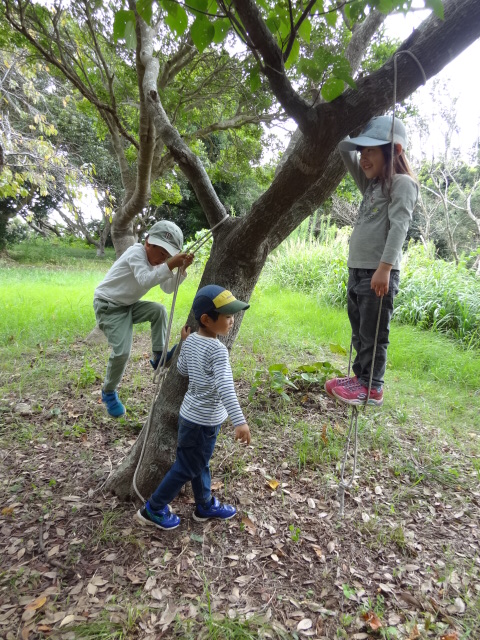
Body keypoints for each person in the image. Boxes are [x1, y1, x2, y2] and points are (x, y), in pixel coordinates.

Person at [136, 284, 251, 531]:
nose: (232, 321)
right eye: (228, 316)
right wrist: (239, 421)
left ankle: (204, 504)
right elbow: (226, 388)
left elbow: (182, 371)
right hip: (205, 422)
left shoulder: (190, 342)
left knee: (199, 462)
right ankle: (153, 508)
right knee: (187, 466)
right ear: (207, 320)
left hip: (189, 416)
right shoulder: (219, 351)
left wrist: (185, 344)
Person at [324, 115, 419, 407]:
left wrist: (385, 268)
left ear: (396, 151)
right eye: (362, 150)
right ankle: (359, 378)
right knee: (360, 331)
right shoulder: (372, 186)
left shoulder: (401, 184)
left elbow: (400, 226)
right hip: (358, 271)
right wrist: (360, 133)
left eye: (372, 150)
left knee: (374, 333)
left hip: (378, 272)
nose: (364, 157)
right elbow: (343, 149)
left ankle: (372, 386)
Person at [93, 220, 194, 418]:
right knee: (122, 352)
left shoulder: (159, 263)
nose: (163, 259)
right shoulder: (135, 253)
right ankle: (108, 391)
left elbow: (167, 288)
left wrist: (180, 270)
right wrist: (170, 264)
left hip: (127, 305)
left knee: (158, 310)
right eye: (162, 253)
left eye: (168, 255)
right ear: (148, 242)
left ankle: (159, 357)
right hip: (108, 306)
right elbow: (145, 279)